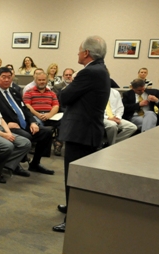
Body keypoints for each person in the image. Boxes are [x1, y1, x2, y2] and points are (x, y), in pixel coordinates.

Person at [53, 35, 110, 233]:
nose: (77, 53)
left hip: (81, 132)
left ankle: (73, 219)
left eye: (79, 50)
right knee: (77, 176)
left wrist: (72, 82)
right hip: (88, 129)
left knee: (74, 176)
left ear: (86, 53)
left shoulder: (89, 72)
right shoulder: (101, 69)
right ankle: (72, 207)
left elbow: (65, 97)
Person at [0, 67, 54, 176]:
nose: (6, 80)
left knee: (47, 132)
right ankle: (15, 164)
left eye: (9, 77)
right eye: (3, 77)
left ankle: (35, 163)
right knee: (26, 136)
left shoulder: (14, 91)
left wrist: (33, 122)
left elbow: (25, 109)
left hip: (24, 124)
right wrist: (5, 124)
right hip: (7, 126)